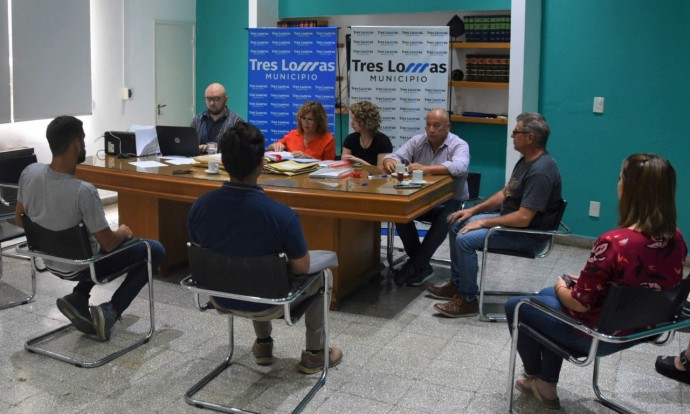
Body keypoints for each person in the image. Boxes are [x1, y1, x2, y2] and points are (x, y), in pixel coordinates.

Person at [504, 153, 686, 409]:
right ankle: (546, 383)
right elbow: (641, 283)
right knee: (544, 295)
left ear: (633, 190)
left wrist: (562, 285)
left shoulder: (615, 242)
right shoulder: (677, 239)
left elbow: (579, 304)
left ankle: (535, 377)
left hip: (598, 335)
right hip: (641, 330)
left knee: (517, 306)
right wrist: (587, 286)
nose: (618, 183)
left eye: (620, 178)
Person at [188, 121, 342, 374]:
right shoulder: (281, 216)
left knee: (245, 261)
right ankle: (315, 353)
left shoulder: (199, 207)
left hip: (220, 296)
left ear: (224, 163)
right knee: (323, 275)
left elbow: (200, 248)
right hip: (270, 302)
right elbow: (302, 268)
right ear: (262, 164)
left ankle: (263, 345)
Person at [15, 116, 166, 341]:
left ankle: (78, 296)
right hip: (82, 266)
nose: (84, 145)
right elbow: (108, 243)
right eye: (83, 140)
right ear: (76, 143)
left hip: (48, 260)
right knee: (154, 249)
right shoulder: (83, 191)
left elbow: (20, 220)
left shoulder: (29, 173)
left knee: (94, 240)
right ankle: (111, 311)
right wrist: (122, 232)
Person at [429, 112, 562, 318]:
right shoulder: (526, 161)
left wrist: (484, 222)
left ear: (530, 138)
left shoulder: (541, 171)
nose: (512, 136)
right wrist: (473, 211)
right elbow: (505, 193)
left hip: (527, 235)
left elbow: (523, 218)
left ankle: (468, 300)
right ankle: (458, 284)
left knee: (465, 239)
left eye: (516, 132)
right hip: (513, 225)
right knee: (457, 220)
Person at [382, 108, 470, 287]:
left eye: (436, 126)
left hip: (451, 200)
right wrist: (389, 161)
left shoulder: (459, 144)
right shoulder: (417, 141)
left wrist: (427, 169)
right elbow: (394, 155)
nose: (431, 130)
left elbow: (460, 167)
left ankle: (414, 266)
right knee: (400, 213)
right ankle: (421, 266)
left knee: (445, 217)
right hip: (422, 199)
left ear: (447, 126)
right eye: (428, 125)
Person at [266, 101, 335, 160]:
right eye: (303, 118)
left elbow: (329, 166)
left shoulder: (328, 140)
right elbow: (269, 150)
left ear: (319, 121)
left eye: (310, 119)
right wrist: (274, 146)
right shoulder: (293, 134)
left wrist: (309, 158)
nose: (306, 122)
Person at [190, 82, 244, 153]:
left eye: (216, 99)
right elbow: (189, 146)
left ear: (226, 99)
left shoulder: (237, 122)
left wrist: (215, 149)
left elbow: (241, 150)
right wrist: (196, 148)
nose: (212, 103)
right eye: (208, 99)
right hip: (198, 162)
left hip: (224, 163)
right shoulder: (197, 120)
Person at [341, 101, 392, 169]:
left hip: (374, 179)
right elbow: (343, 166)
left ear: (367, 121)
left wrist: (359, 162)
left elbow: (381, 172)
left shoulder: (383, 141)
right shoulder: (350, 139)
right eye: (352, 118)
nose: (352, 123)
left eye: (355, 120)